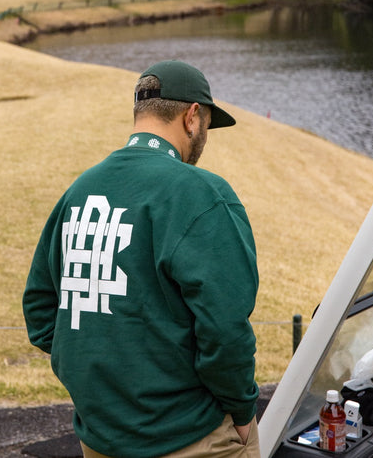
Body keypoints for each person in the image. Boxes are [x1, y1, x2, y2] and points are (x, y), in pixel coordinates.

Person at [23, 60, 260, 457]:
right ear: (192, 117)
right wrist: (241, 410)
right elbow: (225, 330)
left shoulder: (80, 191)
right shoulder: (200, 193)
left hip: (100, 437)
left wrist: (100, 385)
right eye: (205, 128)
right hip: (191, 436)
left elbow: (41, 311)